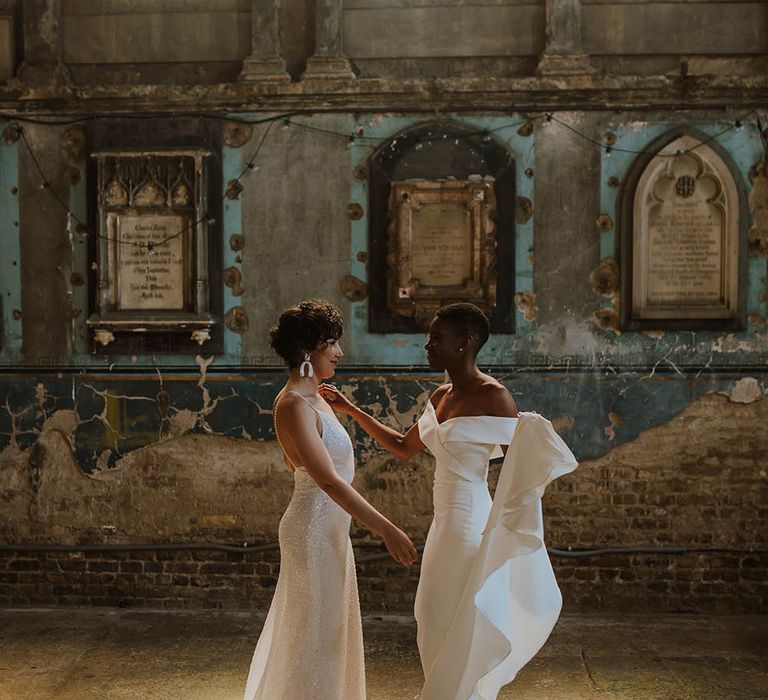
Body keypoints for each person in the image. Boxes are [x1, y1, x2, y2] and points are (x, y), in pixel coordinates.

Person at [320, 302, 578, 700]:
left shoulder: (495, 396)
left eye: (437, 337)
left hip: (471, 521)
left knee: (461, 614)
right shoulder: (441, 394)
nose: (427, 345)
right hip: (443, 525)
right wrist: (350, 410)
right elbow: (404, 447)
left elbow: (520, 469)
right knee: (432, 612)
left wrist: (504, 528)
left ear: (465, 343)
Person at [243, 299, 418, 700]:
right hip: (312, 531)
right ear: (309, 350)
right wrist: (386, 529)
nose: (339, 353)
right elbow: (328, 482)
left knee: (331, 633)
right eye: (332, 344)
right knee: (313, 637)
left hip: (331, 529)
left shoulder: (318, 397)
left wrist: (348, 408)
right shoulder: (292, 404)